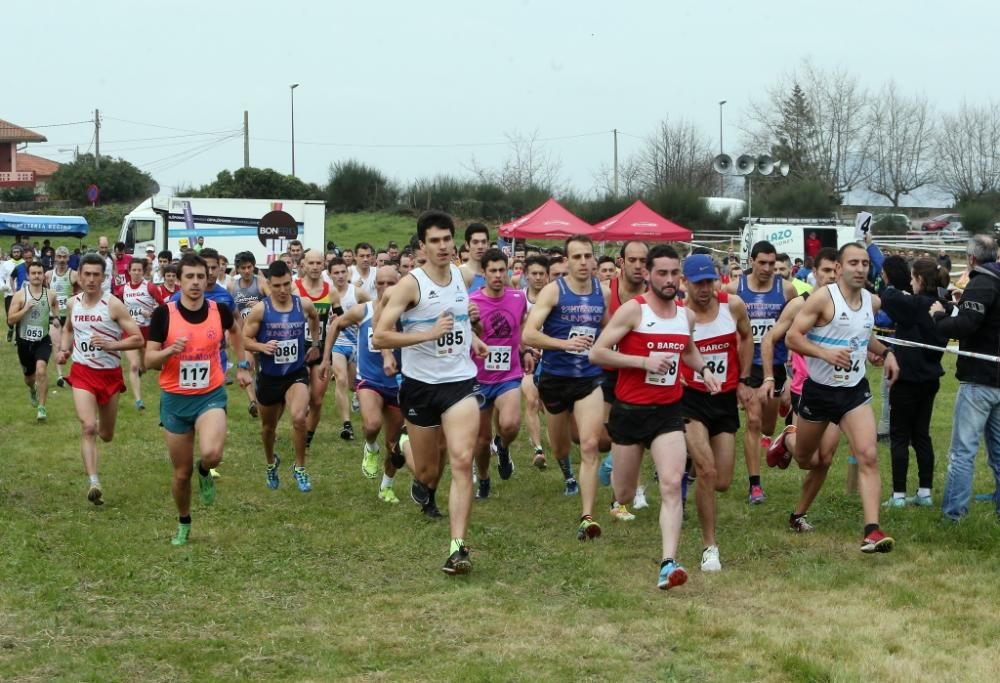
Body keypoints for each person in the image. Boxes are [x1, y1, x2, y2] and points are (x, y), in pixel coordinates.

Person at [591, 244, 722, 589]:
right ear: (647, 274)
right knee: (623, 492)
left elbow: (688, 350)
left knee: (670, 484)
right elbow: (598, 352)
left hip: (668, 411)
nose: (668, 279)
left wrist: (704, 369)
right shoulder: (633, 311)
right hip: (630, 412)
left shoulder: (685, 316)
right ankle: (615, 486)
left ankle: (668, 562)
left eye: (674, 273)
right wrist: (642, 362)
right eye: (661, 273)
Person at [374, 210, 487, 574]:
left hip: (459, 383)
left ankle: (458, 548)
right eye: (434, 240)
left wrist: (476, 335)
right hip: (420, 387)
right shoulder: (411, 285)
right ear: (421, 245)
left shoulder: (462, 276)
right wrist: (426, 334)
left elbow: (458, 319)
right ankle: (402, 446)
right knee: (426, 471)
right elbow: (379, 337)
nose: (442, 246)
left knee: (461, 460)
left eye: (446, 239)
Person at [772, 243, 899, 553]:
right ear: (840, 268)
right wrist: (825, 353)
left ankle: (871, 530)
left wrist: (886, 352)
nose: (860, 268)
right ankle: (788, 438)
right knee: (807, 459)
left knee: (868, 455)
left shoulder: (872, 301)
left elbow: (863, 331)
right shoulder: (822, 299)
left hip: (854, 392)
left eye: (865, 263)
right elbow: (792, 337)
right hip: (820, 391)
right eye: (853, 262)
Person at [145, 252, 251, 545]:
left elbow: (236, 332)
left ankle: (205, 471)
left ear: (208, 279)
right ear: (177, 281)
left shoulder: (220, 310)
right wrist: (169, 351)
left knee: (213, 453)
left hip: (210, 395)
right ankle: (184, 522)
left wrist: (242, 365)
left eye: (200, 277)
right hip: (175, 401)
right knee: (181, 474)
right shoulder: (164, 314)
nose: (194, 282)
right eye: (188, 277)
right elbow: (149, 360)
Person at [523, 235, 609, 539]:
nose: (584, 262)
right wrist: (564, 344)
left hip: (589, 379)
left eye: (588, 256)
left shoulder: (604, 292)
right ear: (567, 261)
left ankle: (587, 517)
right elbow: (529, 335)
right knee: (560, 448)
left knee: (589, 445)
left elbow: (611, 331)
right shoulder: (552, 291)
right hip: (555, 380)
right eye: (577, 257)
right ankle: (565, 467)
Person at [678, 254, 754, 572]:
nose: (705, 288)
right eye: (698, 283)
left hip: (723, 399)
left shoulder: (733, 305)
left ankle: (687, 469)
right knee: (708, 472)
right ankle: (710, 547)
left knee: (721, 480)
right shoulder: (678, 315)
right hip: (690, 398)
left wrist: (745, 380)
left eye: (710, 281)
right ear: (685, 284)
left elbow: (747, 336)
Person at [760, 248, 843, 533]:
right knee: (809, 460)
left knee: (827, 458)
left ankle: (798, 515)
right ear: (814, 273)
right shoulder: (800, 305)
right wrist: (770, 377)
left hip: (842, 388)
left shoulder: (850, 305)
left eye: (836, 271)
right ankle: (787, 436)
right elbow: (770, 339)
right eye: (826, 271)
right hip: (805, 388)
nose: (832, 276)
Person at [56, 254, 145, 505]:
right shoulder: (73, 303)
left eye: (97, 275)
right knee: (88, 427)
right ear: (79, 276)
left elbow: (137, 339)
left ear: (104, 278)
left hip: (109, 375)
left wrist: (111, 344)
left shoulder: (113, 305)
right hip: (82, 372)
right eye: (87, 274)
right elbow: (68, 330)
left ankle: (98, 437)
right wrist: (64, 350)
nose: (91, 279)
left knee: (106, 434)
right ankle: (94, 482)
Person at [931, 235, 1000, 521]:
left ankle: (953, 514)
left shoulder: (981, 283)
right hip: (996, 379)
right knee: (998, 454)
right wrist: (951, 308)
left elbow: (965, 326)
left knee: (962, 452)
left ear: (971, 259)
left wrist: (938, 316)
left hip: (978, 380)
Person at [724, 240, 799, 504]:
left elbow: (794, 329)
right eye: (763, 263)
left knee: (767, 425)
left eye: (772, 263)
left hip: (775, 365)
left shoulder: (786, 289)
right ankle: (755, 485)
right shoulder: (734, 289)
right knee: (753, 422)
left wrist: (790, 372)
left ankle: (779, 439)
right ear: (751, 262)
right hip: (747, 365)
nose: (768, 268)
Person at [324, 266, 404, 500]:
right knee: (371, 424)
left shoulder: (407, 314)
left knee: (394, 444)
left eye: (392, 283)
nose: (386, 288)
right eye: (381, 283)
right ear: (374, 285)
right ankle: (370, 447)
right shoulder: (364, 310)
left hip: (398, 384)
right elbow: (336, 324)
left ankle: (386, 486)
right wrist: (326, 357)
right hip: (370, 380)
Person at [242, 260, 322, 493]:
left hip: (296, 373)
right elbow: (244, 339)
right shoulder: (261, 309)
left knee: (298, 418)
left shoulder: (303, 304)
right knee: (268, 428)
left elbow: (315, 318)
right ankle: (270, 463)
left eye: (287, 284)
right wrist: (261, 347)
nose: (283, 290)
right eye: (277, 286)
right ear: (269, 284)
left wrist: (315, 344)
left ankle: (300, 468)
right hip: (269, 377)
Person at [879, 256, 948, 508]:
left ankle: (898, 496)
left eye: (912, 277)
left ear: (918, 279)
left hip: (906, 379)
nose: (909, 281)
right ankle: (925, 492)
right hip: (930, 379)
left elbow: (887, 295)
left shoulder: (913, 305)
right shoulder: (942, 306)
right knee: (921, 435)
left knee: (899, 436)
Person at [470, 248, 530, 499]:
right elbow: (467, 335)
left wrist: (525, 350)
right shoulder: (471, 301)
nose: (497, 275)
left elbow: (522, 326)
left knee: (510, 424)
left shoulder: (518, 298)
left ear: (507, 270)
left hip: (508, 374)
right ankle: (483, 479)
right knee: (481, 442)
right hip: (478, 378)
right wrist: (473, 326)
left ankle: (503, 447)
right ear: (483, 273)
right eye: (492, 271)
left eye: (501, 270)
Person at [600, 241, 649, 518]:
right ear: (621, 262)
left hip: (639, 374)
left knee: (632, 433)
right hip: (608, 373)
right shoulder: (608, 293)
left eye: (643, 260)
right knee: (603, 439)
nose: (639, 265)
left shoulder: (654, 295)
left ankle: (618, 500)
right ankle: (612, 462)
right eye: (633, 260)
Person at [296, 249, 345, 449]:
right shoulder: (294, 288)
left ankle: (307, 440)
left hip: (321, 351)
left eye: (319, 263)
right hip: (299, 350)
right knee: (303, 397)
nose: (315, 267)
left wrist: (337, 320)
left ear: (323, 265)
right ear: (303, 265)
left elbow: (341, 319)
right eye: (311, 263)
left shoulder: (330, 290)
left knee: (317, 399)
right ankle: (297, 428)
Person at [7, 260, 60, 421]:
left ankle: (42, 408)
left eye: (39, 273)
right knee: (29, 378)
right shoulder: (20, 295)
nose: (37, 276)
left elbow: (55, 304)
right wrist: (25, 309)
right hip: (24, 342)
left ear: (44, 275)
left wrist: (56, 317)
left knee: (42, 371)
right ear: (28, 276)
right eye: (33, 273)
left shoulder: (50, 294)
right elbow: (10, 320)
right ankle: (32, 390)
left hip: (43, 340)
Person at [325, 257, 370, 440]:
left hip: (356, 343)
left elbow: (374, 309)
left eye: (343, 272)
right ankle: (347, 425)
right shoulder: (327, 294)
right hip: (338, 343)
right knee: (341, 380)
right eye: (336, 272)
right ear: (330, 274)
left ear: (348, 272)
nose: (340, 276)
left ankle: (357, 398)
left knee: (353, 385)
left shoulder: (357, 292)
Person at [229, 251, 268, 417]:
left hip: (262, 333)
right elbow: (229, 309)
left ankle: (261, 398)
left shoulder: (261, 283)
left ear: (254, 266)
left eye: (249, 267)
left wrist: (260, 303)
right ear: (237, 269)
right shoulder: (232, 286)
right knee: (248, 366)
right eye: (243, 268)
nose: (246, 271)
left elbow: (275, 303)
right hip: (244, 334)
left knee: (263, 371)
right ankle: (253, 401)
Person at [121, 258, 163, 410]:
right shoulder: (123, 289)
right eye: (134, 270)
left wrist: (151, 314)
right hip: (130, 332)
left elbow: (162, 306)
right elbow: (116, 307)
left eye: (140, 270)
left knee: (150, 365)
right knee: (133, 365)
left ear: (143, 271)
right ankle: (139, 401)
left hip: (147, 331)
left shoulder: (149, 287)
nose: (137, 273)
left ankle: (144, 368)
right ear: (129, 271)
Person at [520, 255, 550, 467]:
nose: (538, 278)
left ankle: (556, 444)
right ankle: (538, 449)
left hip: (550, 357)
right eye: (534, 274)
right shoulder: (519, 298)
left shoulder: (555, 297)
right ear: (526, 276)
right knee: (531, 400)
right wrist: (527, 349)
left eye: (542, 274)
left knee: (549, 407)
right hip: (526, 358)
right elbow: (515, 330)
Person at [47, 246, 78, 387]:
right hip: (54, 316)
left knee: (69, 348)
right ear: (55, 258)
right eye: (59, 257)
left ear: (68, 258)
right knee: (57, 344)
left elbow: (83, 293)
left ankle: (72, 372)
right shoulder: (48, 275)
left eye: (64, 257)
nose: (61, 260)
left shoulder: (74, 274)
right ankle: (60, 376)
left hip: (70, 316)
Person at [2, 243, 24, 341]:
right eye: (14, 252)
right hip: (9, 293)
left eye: (18, 252)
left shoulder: (24, 263)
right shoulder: (6, 264)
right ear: (11, 253)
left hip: (22, 293)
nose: (16, 254)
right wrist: (3, 286)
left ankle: (17, 337)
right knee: (9, 316)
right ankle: (11, 329)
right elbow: (1, 277)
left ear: (21, 253)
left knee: (20, 315)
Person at [461, 223, 490, 293]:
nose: (480, 246)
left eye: (483, 242)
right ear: (467, 245)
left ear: (488, 244)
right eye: (475, 242)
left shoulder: (496, 271)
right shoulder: (460, 273)